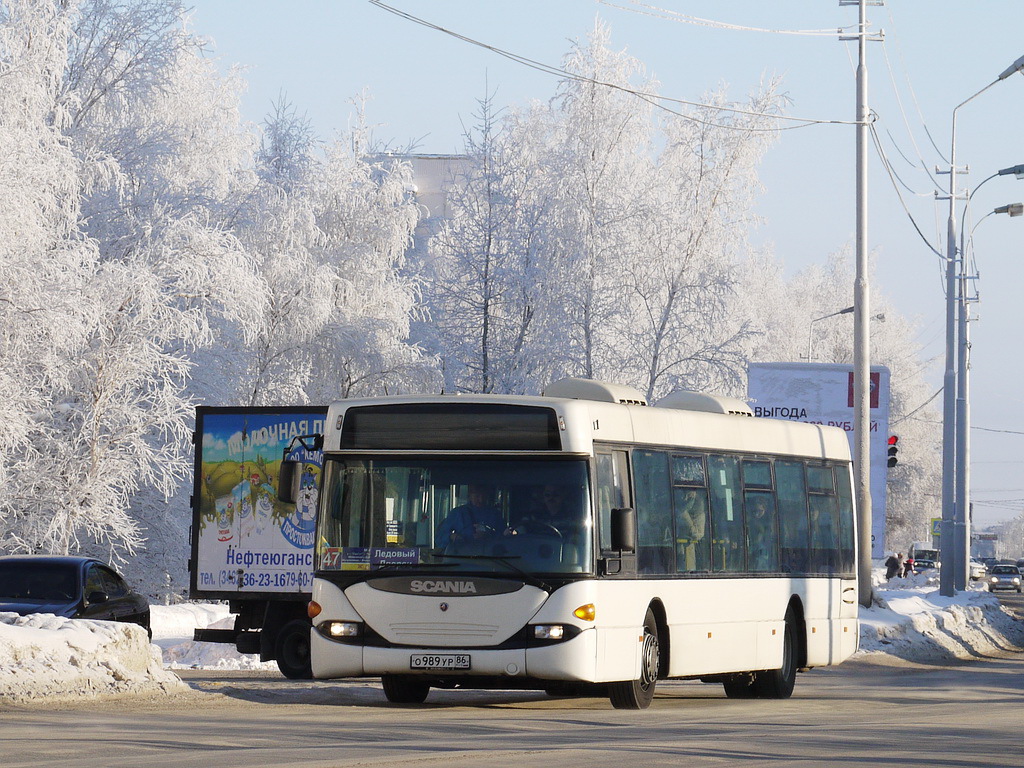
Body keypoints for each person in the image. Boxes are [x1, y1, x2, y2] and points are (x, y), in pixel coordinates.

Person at [435, 485, 504, 548]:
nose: (481, 500)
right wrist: (452, 536)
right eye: (477, 496)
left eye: (483, 496)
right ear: (470, 495)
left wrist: (488, 536)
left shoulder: (495, 514)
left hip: (492, 558)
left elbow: (505, 537)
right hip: (463, 557)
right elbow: (439, 538)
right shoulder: (458, 513)